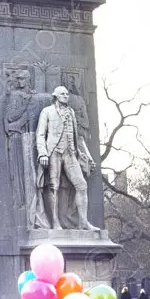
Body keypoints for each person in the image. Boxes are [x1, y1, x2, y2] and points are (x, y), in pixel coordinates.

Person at [36, 86, 96, 231]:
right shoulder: (47, 111)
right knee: (53, 187)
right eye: (62, 94)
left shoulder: (71, 112)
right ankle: (55, 222)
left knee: (82, 185)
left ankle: (83, 222)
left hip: (70, 153)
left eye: (67, 94)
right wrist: (43, 153)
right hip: (53, 153)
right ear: (55, 96)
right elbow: (40, 134)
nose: (65, 96)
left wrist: (86, 156)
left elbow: (77, 137)